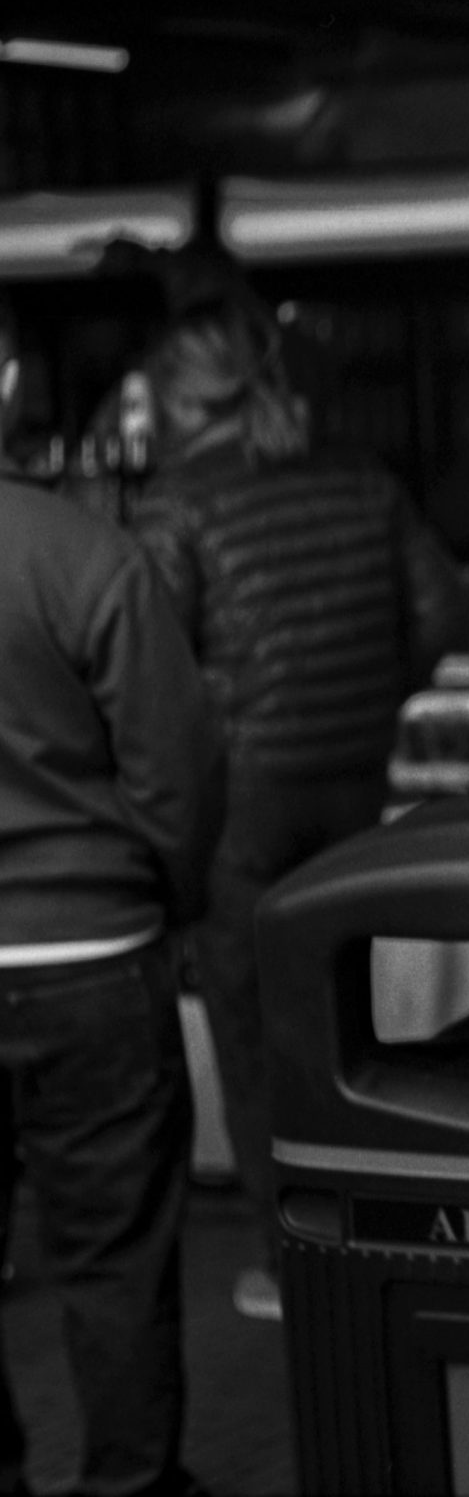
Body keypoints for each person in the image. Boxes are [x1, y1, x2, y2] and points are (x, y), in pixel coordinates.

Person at [129, 299, 469, 1323]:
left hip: (238, 800)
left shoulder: (175, 507)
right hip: (352, 781)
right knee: (347, 1010)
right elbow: (443, 609)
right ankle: (377, 1222)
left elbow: (146, 674)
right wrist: (371, 701)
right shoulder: (360, 478)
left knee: (248, 1022)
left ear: (190, 401)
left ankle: (292, 1260)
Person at [1, 306, 225, 1497]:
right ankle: (131, 1484)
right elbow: (176, 771)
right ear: (7, 382)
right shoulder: (84, 553)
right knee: (115, 1259)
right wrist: (173, 901)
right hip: (92, 954)